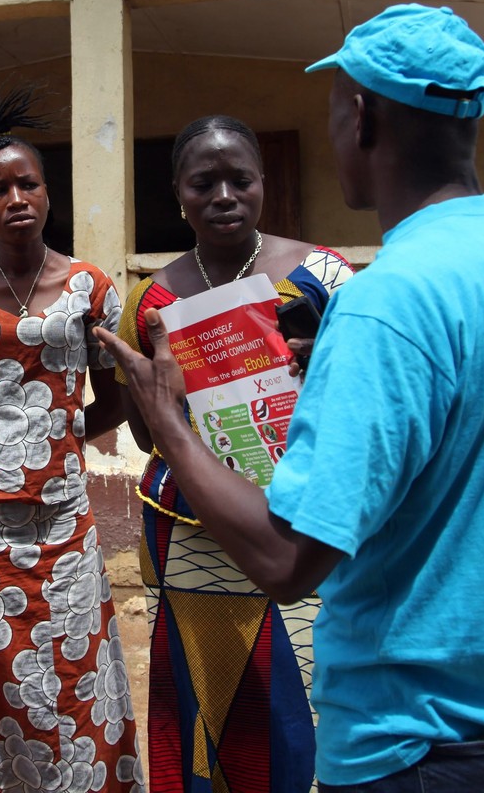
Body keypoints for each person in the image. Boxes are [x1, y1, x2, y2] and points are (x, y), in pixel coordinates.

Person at [99, 5, 484, 792]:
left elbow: (286, 562)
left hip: (419, 726)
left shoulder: (379, 304)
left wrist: (169, 424)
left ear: (361, 117)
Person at [116, 114, 354, 793]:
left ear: (262, 184)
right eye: (204, 182)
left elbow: (367, 406)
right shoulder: (152, 301)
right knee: (211, 694)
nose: (224, 194)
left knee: (308, 693)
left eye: (239, 179)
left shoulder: (323, 277)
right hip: (194, 535)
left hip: (302, 525)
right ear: (178, 194)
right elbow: (145, 435)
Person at [0, 85, 145, 793]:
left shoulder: (89, 288)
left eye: (27, 182)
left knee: (76, 671)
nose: (15, 198)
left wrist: (60, 440)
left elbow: (117, 398)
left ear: (47, 191)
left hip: (64, 522)